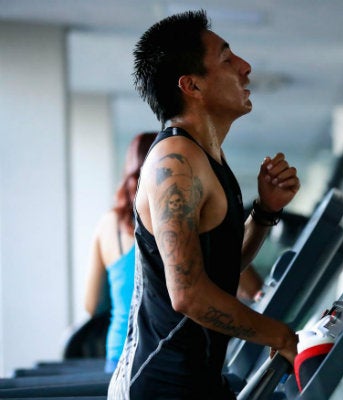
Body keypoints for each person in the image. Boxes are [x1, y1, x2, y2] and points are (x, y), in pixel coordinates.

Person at [108, 10, 301, 399]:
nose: (245, 68)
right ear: (192, 85)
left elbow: (220, 270)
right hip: (160, 385)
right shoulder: (173, 162)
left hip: (198, 380)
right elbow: (189, 294)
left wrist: (265, 211)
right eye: (227, 59)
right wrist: (277, 334)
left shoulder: (207, 156)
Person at [84, 132, 157, 373]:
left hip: (120, 354)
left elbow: (93, 305)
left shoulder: (108, 225)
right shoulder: (177, 218)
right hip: (165, 353)